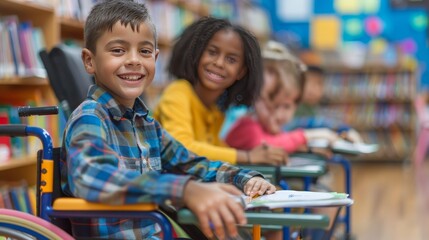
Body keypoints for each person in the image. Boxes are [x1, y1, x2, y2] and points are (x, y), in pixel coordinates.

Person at [60, 1, 276, 239]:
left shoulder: (147, 124)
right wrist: (185, 190)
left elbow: (193, 164)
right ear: (89, 61)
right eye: (118, 50)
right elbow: (92, 178)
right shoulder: (90, 117)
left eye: (144, 51)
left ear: (156, 57)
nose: (134, 60)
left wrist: (245, 179)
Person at [153, 17, 286, 166]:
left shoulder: (215, 112)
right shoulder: (177, 92)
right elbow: (182, 148)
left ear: (241, 72)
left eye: (231, 60)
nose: (219, 63)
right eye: (212, 52)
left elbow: (217, 151)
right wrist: (248, 156)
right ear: (196, 54)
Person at [225, 40, 340, 156]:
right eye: (271, 105)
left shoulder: (268, 127)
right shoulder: (247, 127)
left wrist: (309, 149)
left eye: (286, 106)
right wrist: (307, 136)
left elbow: (282, 143)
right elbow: (266, 145)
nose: (279, 115)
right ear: (253, 99)